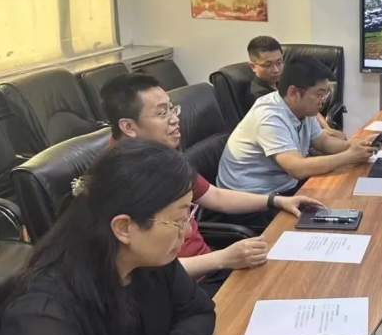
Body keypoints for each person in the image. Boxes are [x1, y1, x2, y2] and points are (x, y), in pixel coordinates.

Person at [0, 140, 215, 335]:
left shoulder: (150, 261)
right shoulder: (42, 315)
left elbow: (199, 313)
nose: (188, 231)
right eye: (178, 221)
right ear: (124, 228)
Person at [100, 74, 323, 297]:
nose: (175, 119)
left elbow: (215, 196)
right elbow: (143, 275)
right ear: (128, 126)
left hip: (208, 268)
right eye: (162, 113)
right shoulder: (115, 181)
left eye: (172, 109)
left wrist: (277, 200)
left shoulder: (162, 155)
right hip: (177, 288)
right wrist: (223, 258)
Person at [218, 57, 376, 195]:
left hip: (282, 186)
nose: (323, 100)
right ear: (293, 93)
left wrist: (355, 146)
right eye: (319, 94)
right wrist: (348, 156)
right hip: (252, 198)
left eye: (325, 94)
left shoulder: (302, 110)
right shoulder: (269, 117)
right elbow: (297, 168)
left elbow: (323, 142)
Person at [247, 35, 346, 140]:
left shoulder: (285, 79)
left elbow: (308, 107)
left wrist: (327, 128)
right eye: (268, 65)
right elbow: (288, 130)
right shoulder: (260, 98)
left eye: (279, 63)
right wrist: (324, 134)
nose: (276, 70)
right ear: (253, 66)